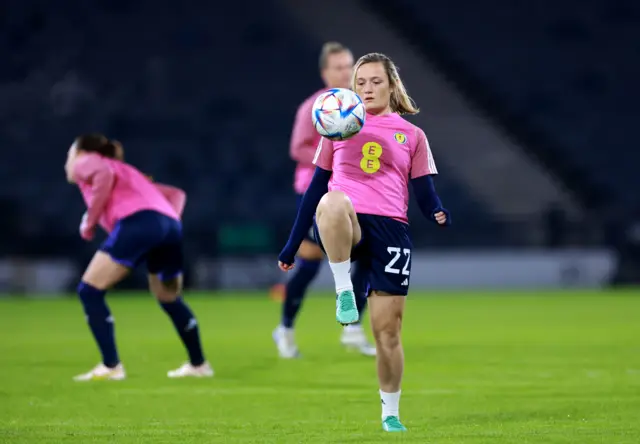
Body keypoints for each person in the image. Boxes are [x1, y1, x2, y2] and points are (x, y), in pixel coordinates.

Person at [277, 53, 450, 432]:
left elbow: (423, 189)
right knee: (332, 201)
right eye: (360, 83)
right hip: (348, 224)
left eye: (375, 81)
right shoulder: (335, 127)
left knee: (388, 333)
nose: (367, 89)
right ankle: (343, 290)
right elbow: (313, 191)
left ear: (391, 86)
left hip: (391, 230)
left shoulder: (412, 135)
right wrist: (292, 244)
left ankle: (390, 413)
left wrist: (436, 210)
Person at [65, 134, 213, 381]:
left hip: (138, 222)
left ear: (80, 153)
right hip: (169, 225)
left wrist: (89, 221)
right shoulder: (128, 171)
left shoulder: (87, 161)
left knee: (89, 290)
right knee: (169, 297)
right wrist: (164, 224)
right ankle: (199, 364)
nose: (67, 164)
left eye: (69, 156)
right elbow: (176, 194)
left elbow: (103, 175)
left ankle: (111, 366)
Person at [272, 42, 375, 358]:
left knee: (369, 255)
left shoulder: (361, 106)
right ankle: (285, 328)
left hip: (354, 193)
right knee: (310, 264)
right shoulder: (314, 107)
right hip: (316, 192)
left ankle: (353, 327)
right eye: (339, 67)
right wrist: (335, 154)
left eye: (348, 65)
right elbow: (297, 149)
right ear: (325, 72)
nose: (346, 71)